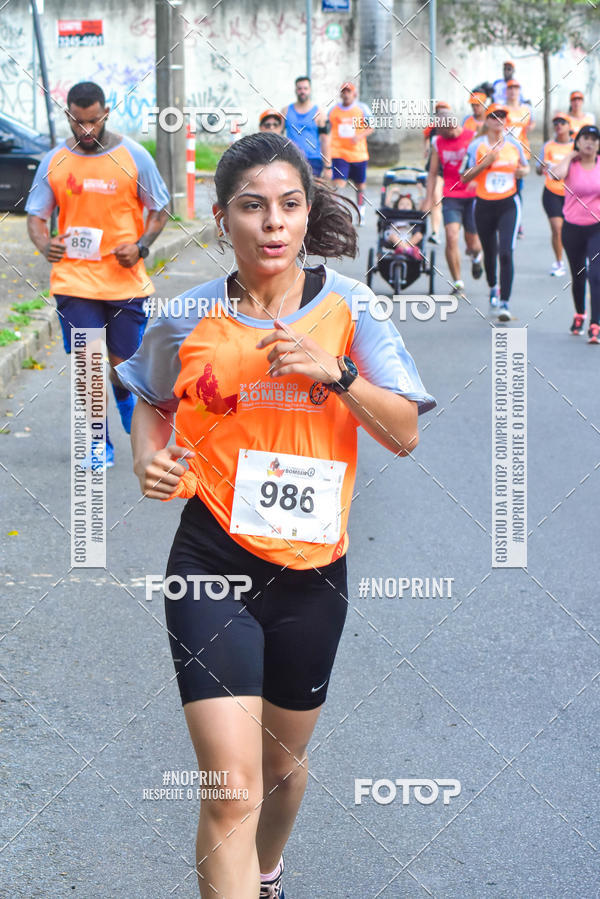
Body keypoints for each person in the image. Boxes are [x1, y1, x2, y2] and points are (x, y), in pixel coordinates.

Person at [115, 132, 435, 899]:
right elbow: (151, 406)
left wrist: (340, 374)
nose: (272, 223)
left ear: (307, 213)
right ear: (223, 219)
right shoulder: (185, 315)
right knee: (231, 787)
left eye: (289, 205)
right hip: (210, 562)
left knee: (281, 770)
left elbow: (404, 433)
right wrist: (145, 457)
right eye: (252, 207)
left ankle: (266, 872)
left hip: (313, 573)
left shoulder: (351, 308)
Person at [25, 80, 170, 468]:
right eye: (77, 122)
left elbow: (160, 209)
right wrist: (45, 245)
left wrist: (141, 246)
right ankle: (95, 442)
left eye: (92, 121)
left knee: (122, 367)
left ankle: (123, 396)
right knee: (89, 364)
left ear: (106, 113)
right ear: (69, 116)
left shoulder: (135, 156)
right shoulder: (54, 161)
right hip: (74, 281)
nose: (85, 130)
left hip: (125, 281)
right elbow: (36, 217)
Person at [460, 104, 529, 321]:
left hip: (509, 203)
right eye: (494, 116)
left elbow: (526, 167)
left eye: (502, 116)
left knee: (506, 252)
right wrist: (485, 164)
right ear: (487, 120)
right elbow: (464, 177)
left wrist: (522, 172)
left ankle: (505, 303)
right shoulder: (476, 146)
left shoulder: (514, 145)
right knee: (489, 253)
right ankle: (493, 287)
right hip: (484, 205)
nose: (498, 120)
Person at [423, 111, 483, 297]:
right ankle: (458, 282)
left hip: (473, 195)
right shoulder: (437, 143)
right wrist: (428, 198)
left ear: (450, 126)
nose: (437, 132)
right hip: (451, 194)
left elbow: (483, 163)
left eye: (439, 128)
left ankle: (476, 257)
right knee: (451, 236)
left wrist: (477, 179)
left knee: (473, 243)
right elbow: (433, 173)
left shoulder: (472, 137)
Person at [550, 124, 600, 342]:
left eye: (594, 139)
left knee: (596, 275)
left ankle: (596, 323)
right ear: (578, 142)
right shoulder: (571, 164)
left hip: (597, 227)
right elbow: (555, 175)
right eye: (585, 138)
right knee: (578, 275)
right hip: (572, 228)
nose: (589, 142)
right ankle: (580, 314)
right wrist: (570, 155)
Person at [329, 82, 374, 224]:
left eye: (349, 91)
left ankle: (361, 210)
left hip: (358, 154)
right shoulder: (333, 110)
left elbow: (371, 126)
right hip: (339, 153)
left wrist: (359, 136)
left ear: (354, 94)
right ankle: (337, 213)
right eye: (343, 91)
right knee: (338, 184)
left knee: (360, 185)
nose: (346, 94)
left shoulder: (362, 109)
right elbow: (327, 128)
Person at [536, 113, 574, 276]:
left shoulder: (576, 147)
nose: (558, 125)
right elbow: (538, 170)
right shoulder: (548, 146)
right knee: (557, 228)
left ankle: (578, 259)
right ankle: (559, 262)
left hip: (572, 194)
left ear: (569, 126)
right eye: (556, 122)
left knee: (572, 230)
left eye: (562, 122)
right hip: (552, 192)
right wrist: (542, 167)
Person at [281, 76, 331, 178]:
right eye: (299, 89)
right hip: (292, 158)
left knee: (312, 192)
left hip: (313, 160)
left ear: (310, 90)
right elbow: (277, 134)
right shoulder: (286, 111)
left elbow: (325, 140)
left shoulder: (319, 113)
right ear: (295, 90)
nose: (302, 91)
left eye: (305, 88)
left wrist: (328, 166)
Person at [422, 101, 451, 244]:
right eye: (439, 112)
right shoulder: (433, 129)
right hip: (435, 170)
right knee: (435, 199)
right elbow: (427, 140)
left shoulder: (453, 130)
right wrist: (427, 149)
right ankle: (435, 232)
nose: (441, 114)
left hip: (449, 170)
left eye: (444, 111)